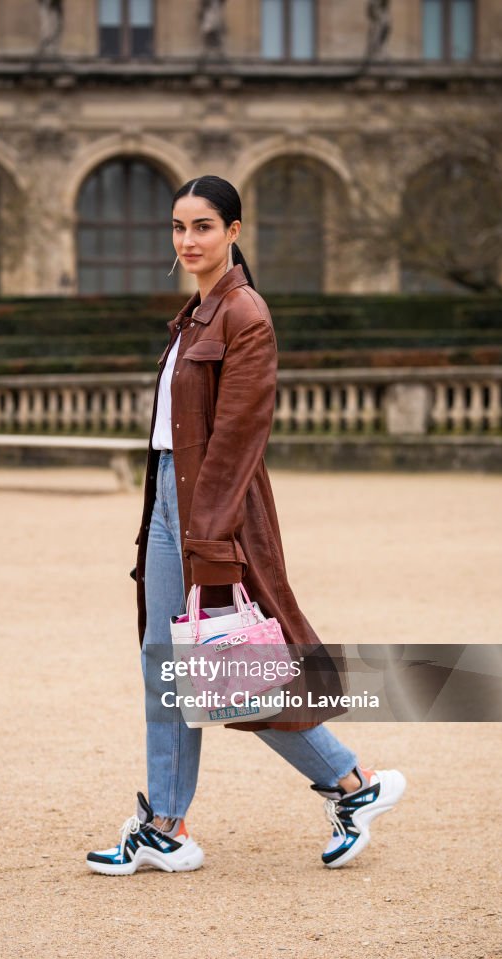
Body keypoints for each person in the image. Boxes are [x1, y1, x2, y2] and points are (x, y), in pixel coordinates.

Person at [87, 176, 406, 876]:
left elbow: (237, 440)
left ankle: (349, 785)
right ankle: (173, 823)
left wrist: (209, 537)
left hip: (216, 510)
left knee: (231, 667)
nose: (188, 240)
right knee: (170, 663)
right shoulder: (195, 314)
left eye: (202, 226)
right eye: (177, 227)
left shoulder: (244, 314)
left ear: (233, 231)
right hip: (172, 501)